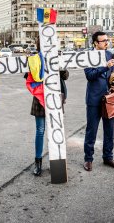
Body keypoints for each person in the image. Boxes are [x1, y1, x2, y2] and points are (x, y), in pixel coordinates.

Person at [24, 40, 69, 176]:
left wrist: (60, 66)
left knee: (56, 130)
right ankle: (38, 163)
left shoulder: (58, 57)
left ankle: (57, 164)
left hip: (55, 98)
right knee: (40, 131)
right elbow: (28, 77)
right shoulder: (34, 58)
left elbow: (66, 76)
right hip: (40, 99)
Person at [83, 31, 114, 172]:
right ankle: (88, 159)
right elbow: (90, 76)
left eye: (107, 40)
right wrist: (105, 66)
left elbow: (112, 71)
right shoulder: (88, 56)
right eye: (103, 40)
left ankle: (108, 157)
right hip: (94, 99)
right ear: (95, 43)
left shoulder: (109, 54)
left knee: (109, 130)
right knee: (91, 131)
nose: (107, 42)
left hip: (109, 98)